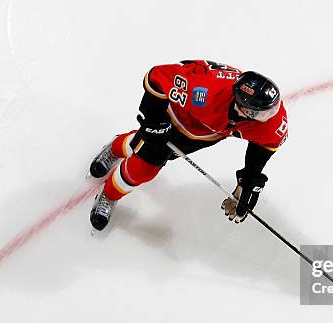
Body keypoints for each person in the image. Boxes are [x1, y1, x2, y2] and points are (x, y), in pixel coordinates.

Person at [89, 60, 289, 231]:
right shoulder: (204, 90)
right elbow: (156, 77)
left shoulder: (271, 121)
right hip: (174, 115)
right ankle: (110, 192)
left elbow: (265, 145)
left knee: (142, 148)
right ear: (241, 105)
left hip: (204, 134)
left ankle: (117, 146)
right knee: (144, 168)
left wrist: (249, 181)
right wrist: (154, 119)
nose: (268, 118)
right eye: (259, 114)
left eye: (270, 112)